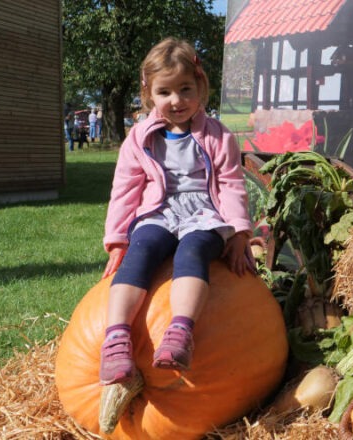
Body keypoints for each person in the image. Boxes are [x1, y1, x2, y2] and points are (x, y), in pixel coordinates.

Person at [99, 37, 255, 385]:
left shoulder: (219, 136)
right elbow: (125, 190)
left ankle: (180, 331)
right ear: (149, 95)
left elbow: (231, 185)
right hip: (158, 212)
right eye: (165, 92)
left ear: (200, 86)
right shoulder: (139, 138)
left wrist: (241, 232)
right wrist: (117, 239)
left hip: (204, 214)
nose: (177, 100)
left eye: (185, 89)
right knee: (140, 253)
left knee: (194, 249)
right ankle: (116, 340)